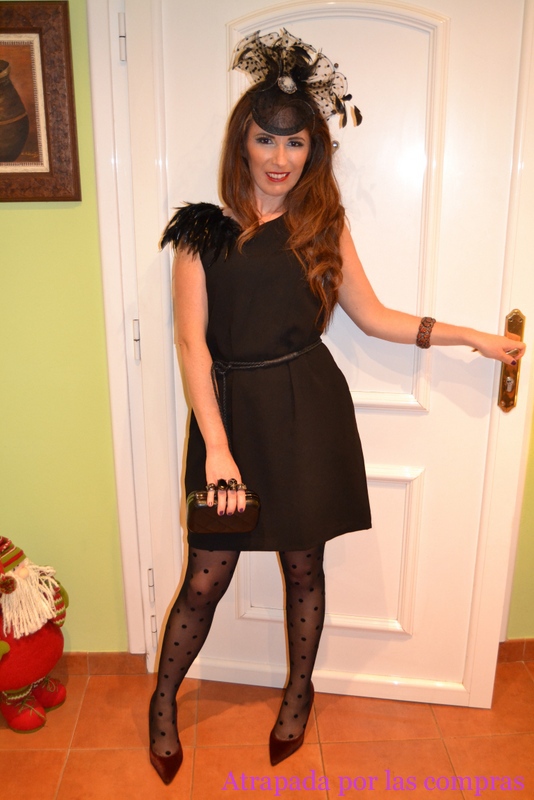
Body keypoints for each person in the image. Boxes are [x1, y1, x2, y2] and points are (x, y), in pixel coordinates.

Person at [149, 29, 525, 785]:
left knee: (304, 568)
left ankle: (299, 693)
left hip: (308, 414)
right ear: (243, 142)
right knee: (206, 576)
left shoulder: (324, 226)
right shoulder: (200, 233)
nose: (280, 158)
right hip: (230, 421)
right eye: (266, 139)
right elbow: (192, 347)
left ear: (313, 150)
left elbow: (375, 318)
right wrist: (216, 447)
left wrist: (471, 338)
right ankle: (163, 701)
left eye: (295, 143)